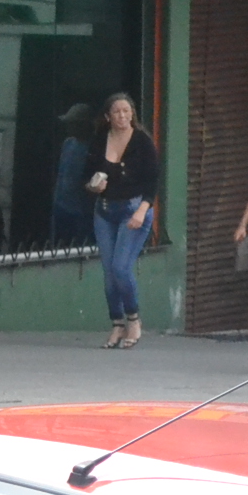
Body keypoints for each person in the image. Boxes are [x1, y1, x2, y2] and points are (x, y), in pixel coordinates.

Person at [87, 91, 159, 350]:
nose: (122, 116)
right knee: (109, 273)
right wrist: (93, 186)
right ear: (108, 116)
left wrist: (141, 211)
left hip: (133, 210)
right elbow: (86, 175)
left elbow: (153, 181)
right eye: (117, 112)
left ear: (132, 114)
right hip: (105, 211)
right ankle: (117, 323)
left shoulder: (142, 141)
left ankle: (134, 319)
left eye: (126, 111)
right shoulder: (100, 140)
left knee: (121, 268)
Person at [53, 103, 96, 247]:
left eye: (73, 124)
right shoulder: (68, 144)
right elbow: (61, 173)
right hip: (61, 206)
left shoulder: (94, 148)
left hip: (82, 211)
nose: (69, 127)